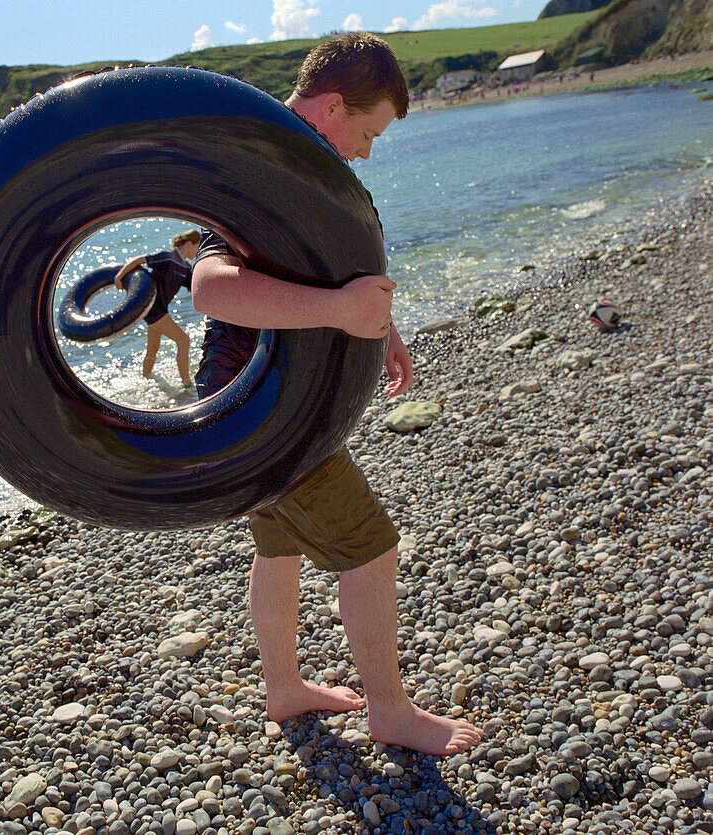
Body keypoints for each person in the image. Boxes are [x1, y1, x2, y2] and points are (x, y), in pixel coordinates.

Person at [190, 33, 483, 756]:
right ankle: (391, 711)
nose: (366, 151)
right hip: (257, 405)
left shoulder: (300, 165)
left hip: (273, 395)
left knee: (280, 539)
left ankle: (285, 688)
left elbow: (329, 270)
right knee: (369, 545)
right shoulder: (259, 168)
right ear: (329, 106)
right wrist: (338, 312)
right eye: (366, 131)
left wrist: (378, 325)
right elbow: (208, 285)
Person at [114, 230, 200, 387]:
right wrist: (119, 276)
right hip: (153, 307)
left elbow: (197, 288)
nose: (198, 251)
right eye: (197, 246)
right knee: (183, 340)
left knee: (152, 350)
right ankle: (187, 385)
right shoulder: (168, 256)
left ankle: (145, 379)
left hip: (160, 310)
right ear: (189, 243)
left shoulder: (186, 268)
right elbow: (139, 260)